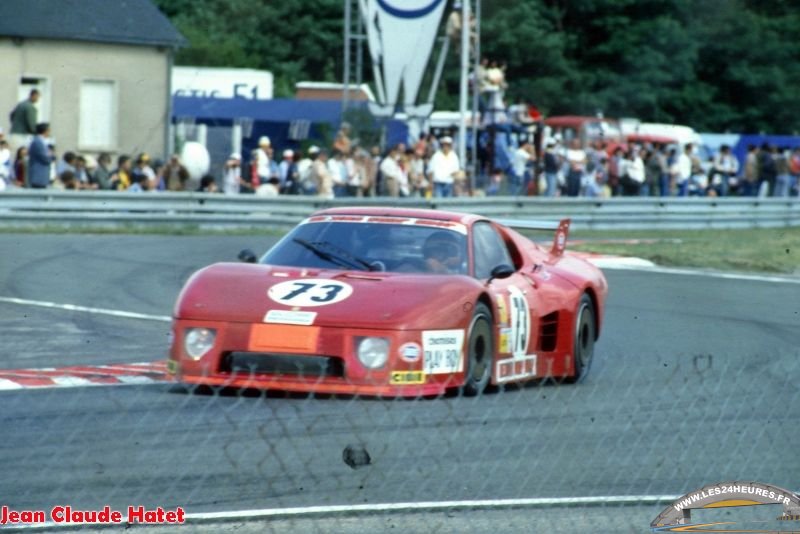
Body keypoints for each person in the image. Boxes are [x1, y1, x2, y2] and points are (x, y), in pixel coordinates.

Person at [27, 123, 53, 189]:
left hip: (41, 176)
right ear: (45, 131)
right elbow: (44, 158)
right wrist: (51, 156)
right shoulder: (38, 142)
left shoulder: (41, 141)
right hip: (38, 176)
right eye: (48, 130)